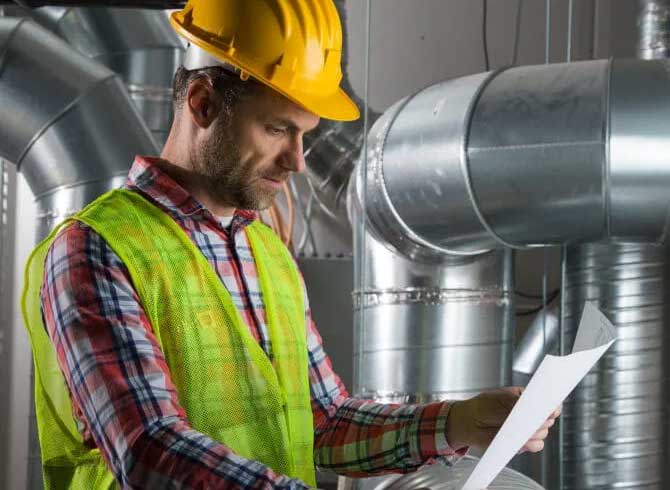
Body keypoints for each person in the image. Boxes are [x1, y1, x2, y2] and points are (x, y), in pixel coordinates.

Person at [22, 1, 558, 489]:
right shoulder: (98, 250)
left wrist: (459, 421)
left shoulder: (268, 254)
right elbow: (149, 448)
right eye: (278, 129)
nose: (298, 161)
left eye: (305, 134)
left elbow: (322, 420)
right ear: (203, 103)